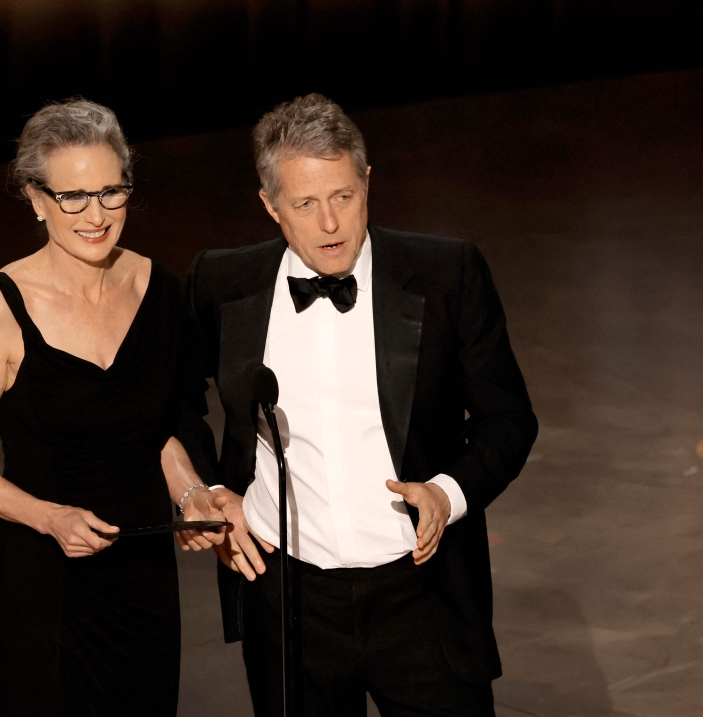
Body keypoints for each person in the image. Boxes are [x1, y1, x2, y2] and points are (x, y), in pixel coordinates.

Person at [178, 94, 538, 716]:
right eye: (305, 204)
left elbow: (509, 421)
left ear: (368, 181)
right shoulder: (222, 283)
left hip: (421, 596)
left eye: (343, 196)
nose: (330, 224)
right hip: (287, 603)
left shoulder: (446, 273)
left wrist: (447, 494)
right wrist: (205, 488)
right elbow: (176, 402)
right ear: (270, 205)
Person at [0, 98, 223, 716]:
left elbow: (163, 428)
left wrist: (190, 493)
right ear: (36, 200)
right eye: (73, 197)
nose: (96, 215)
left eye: (111, 193)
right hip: (43, 583)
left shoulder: (162, 290)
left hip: (142, 581)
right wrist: (49, 518)